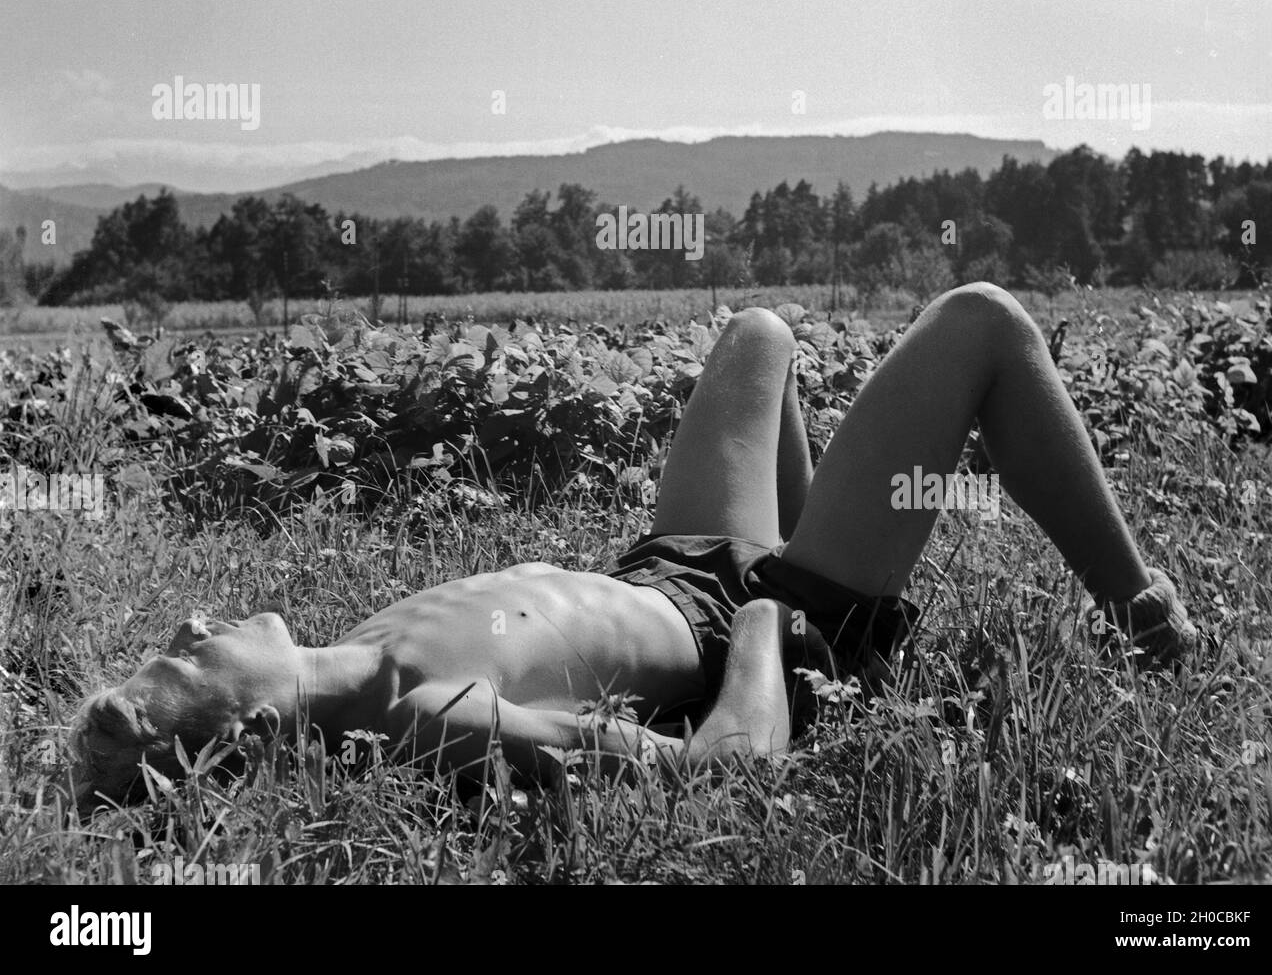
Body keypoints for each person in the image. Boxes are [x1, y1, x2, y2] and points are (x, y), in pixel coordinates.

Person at [67, 284, 1197, 811]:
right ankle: (1143, 611)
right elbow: (723, 770)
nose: (191, 625)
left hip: (671, 568)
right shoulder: (422, 714)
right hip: (754, 629)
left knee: (760, 333)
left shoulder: (356, 654)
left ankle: (823, 543)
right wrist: (766, 625)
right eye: (185, 663)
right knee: (982, 323)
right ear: (252, 722)